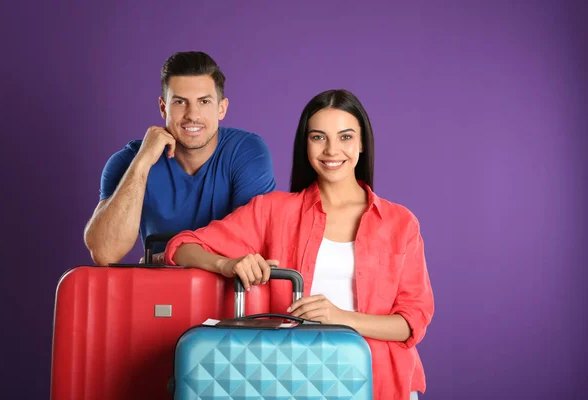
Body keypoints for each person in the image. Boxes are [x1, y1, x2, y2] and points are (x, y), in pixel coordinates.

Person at [163, 89, 434, 400]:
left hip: (383, 383)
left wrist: (340, 318)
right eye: (318, 137)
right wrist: (227, 264)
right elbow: (181, 246)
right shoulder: (272, 210)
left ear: (361, 143)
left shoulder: (400, 222)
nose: (332, 150)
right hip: (292, 379)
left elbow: (412, 323)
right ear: (305, 144)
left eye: (345, 137)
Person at [84, 51, 276, 265]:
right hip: (160, 294)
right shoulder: (129, 160)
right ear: (163, 107)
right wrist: (142, 163)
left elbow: (250, 243)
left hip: (229, 292)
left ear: (221, 108)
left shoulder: (247, 151)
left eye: (204, 101)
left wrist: (161, 258)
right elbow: (105, 252)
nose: (192, 114)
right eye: (180, 102)